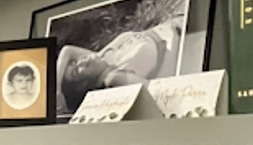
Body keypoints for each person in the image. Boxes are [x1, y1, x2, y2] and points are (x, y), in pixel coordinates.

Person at [56, 16, 184, 115]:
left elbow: (67, 50)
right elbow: (161, 91)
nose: (79, 62)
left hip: (176, 22)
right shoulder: (114, 77)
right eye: (76, 71)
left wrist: (56, 88)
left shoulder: (103, 56)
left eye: (73, 62)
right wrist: (175, 40)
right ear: (83, 85)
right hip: (183, 37)